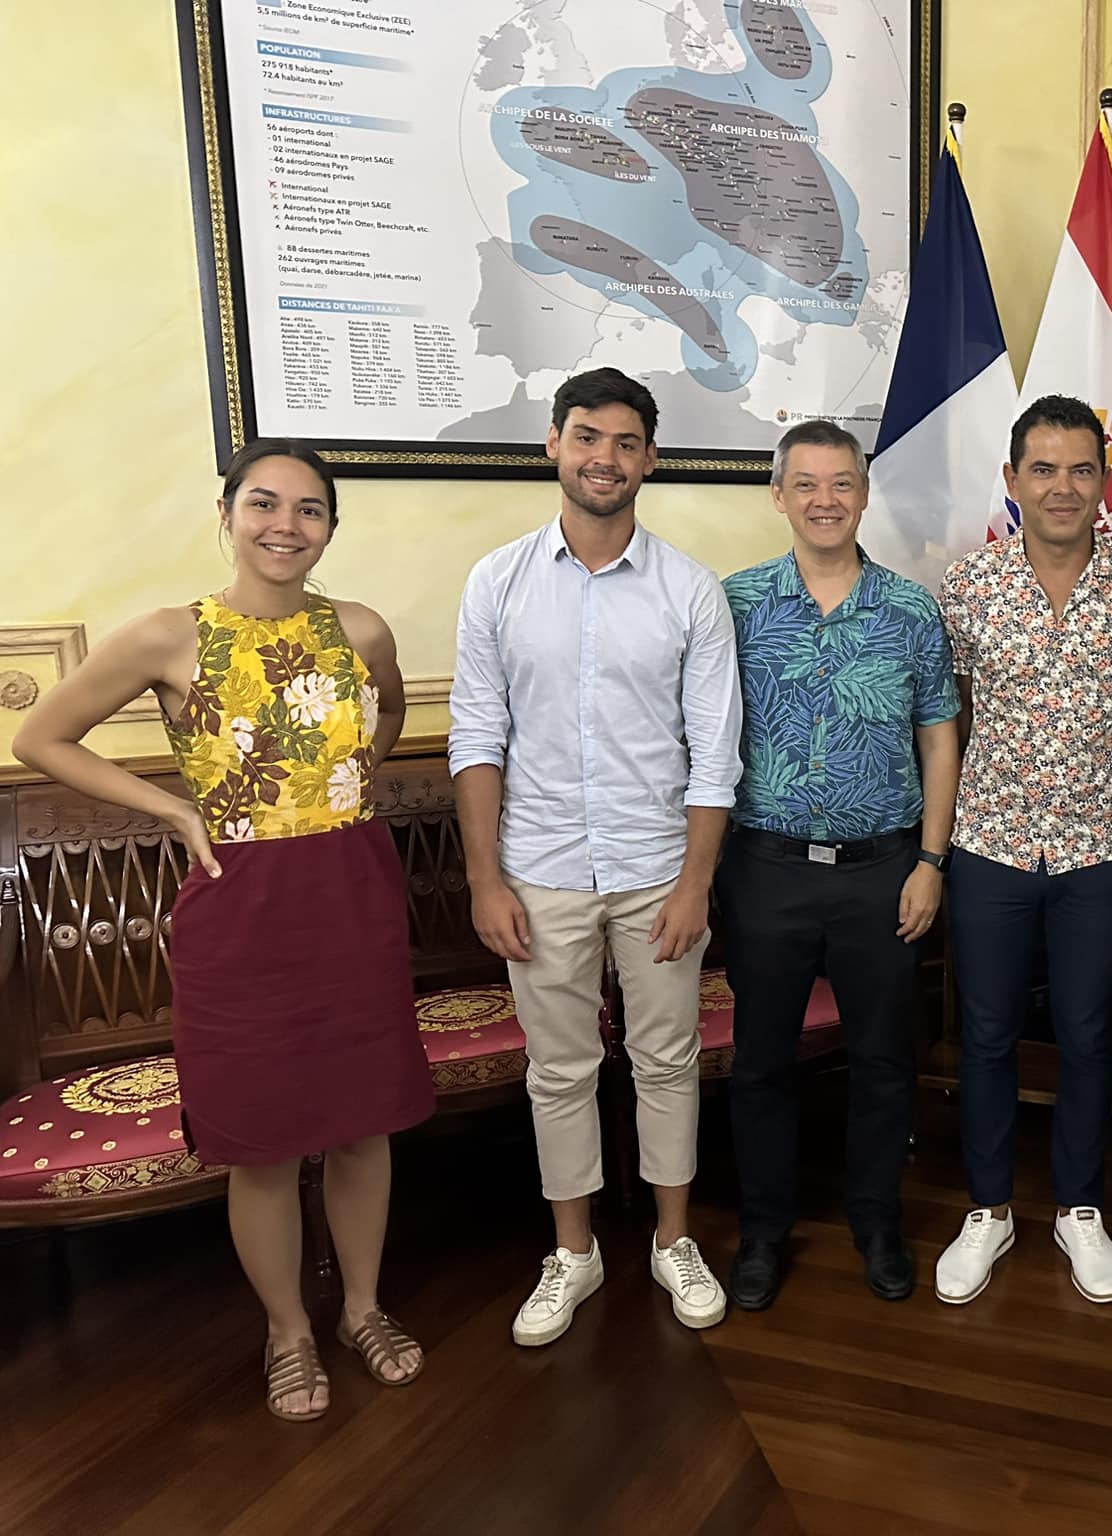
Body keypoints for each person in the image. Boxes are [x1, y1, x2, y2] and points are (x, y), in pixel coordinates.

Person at [14, 440, 433, 1420]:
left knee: (364, 1127)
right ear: (227, 512)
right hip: (239, 917)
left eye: (309, 510)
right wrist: (172, 811)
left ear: (331, 526)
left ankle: (363, 1309)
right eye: (264, 504)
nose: (286, 525)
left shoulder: (361, 629)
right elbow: (39, 738)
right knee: (264, 1144)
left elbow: (390, 713)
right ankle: (288, 1328)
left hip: (353, 901)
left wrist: (345, 787)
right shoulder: (170, 635)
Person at [449, 367, 741, 1344]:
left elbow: (715, 754)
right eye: (586, 437)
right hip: (539, 872)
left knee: (666, 1062)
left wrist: (697, 883)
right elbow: (475, 739)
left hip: (659, 869)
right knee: (558, 1071)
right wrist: (485, 878)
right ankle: (571, 1253)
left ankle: (669, 1242)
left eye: (623, 442)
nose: (603, 458)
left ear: (649, 459)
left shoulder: (690, 591)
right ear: (553, 446)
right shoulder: (496, 582)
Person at [932, 394, 1112, 1306]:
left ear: (1104, 480)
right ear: (1012, 480)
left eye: (1083, 468)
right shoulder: (968, 588)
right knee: (989, 1032)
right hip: (990, 843)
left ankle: (1080, 1209)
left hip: (1101, 851)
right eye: (1043, 469)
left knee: (1085, 1034)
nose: (1064, 486)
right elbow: (945, 721)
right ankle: (989, 1210)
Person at [717, 419, 961, 1309]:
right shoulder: (733, 603)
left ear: (865, 493)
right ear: (779, 496)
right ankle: (763, 1232)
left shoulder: (910, 609)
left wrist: (931, 860)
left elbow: (939, 737)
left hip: (882, 872)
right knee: (762, 1065)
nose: (826, 500)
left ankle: (877, 1219)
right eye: (807, 484)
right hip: (765, 871)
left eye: (843, 483)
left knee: (884, 1061)